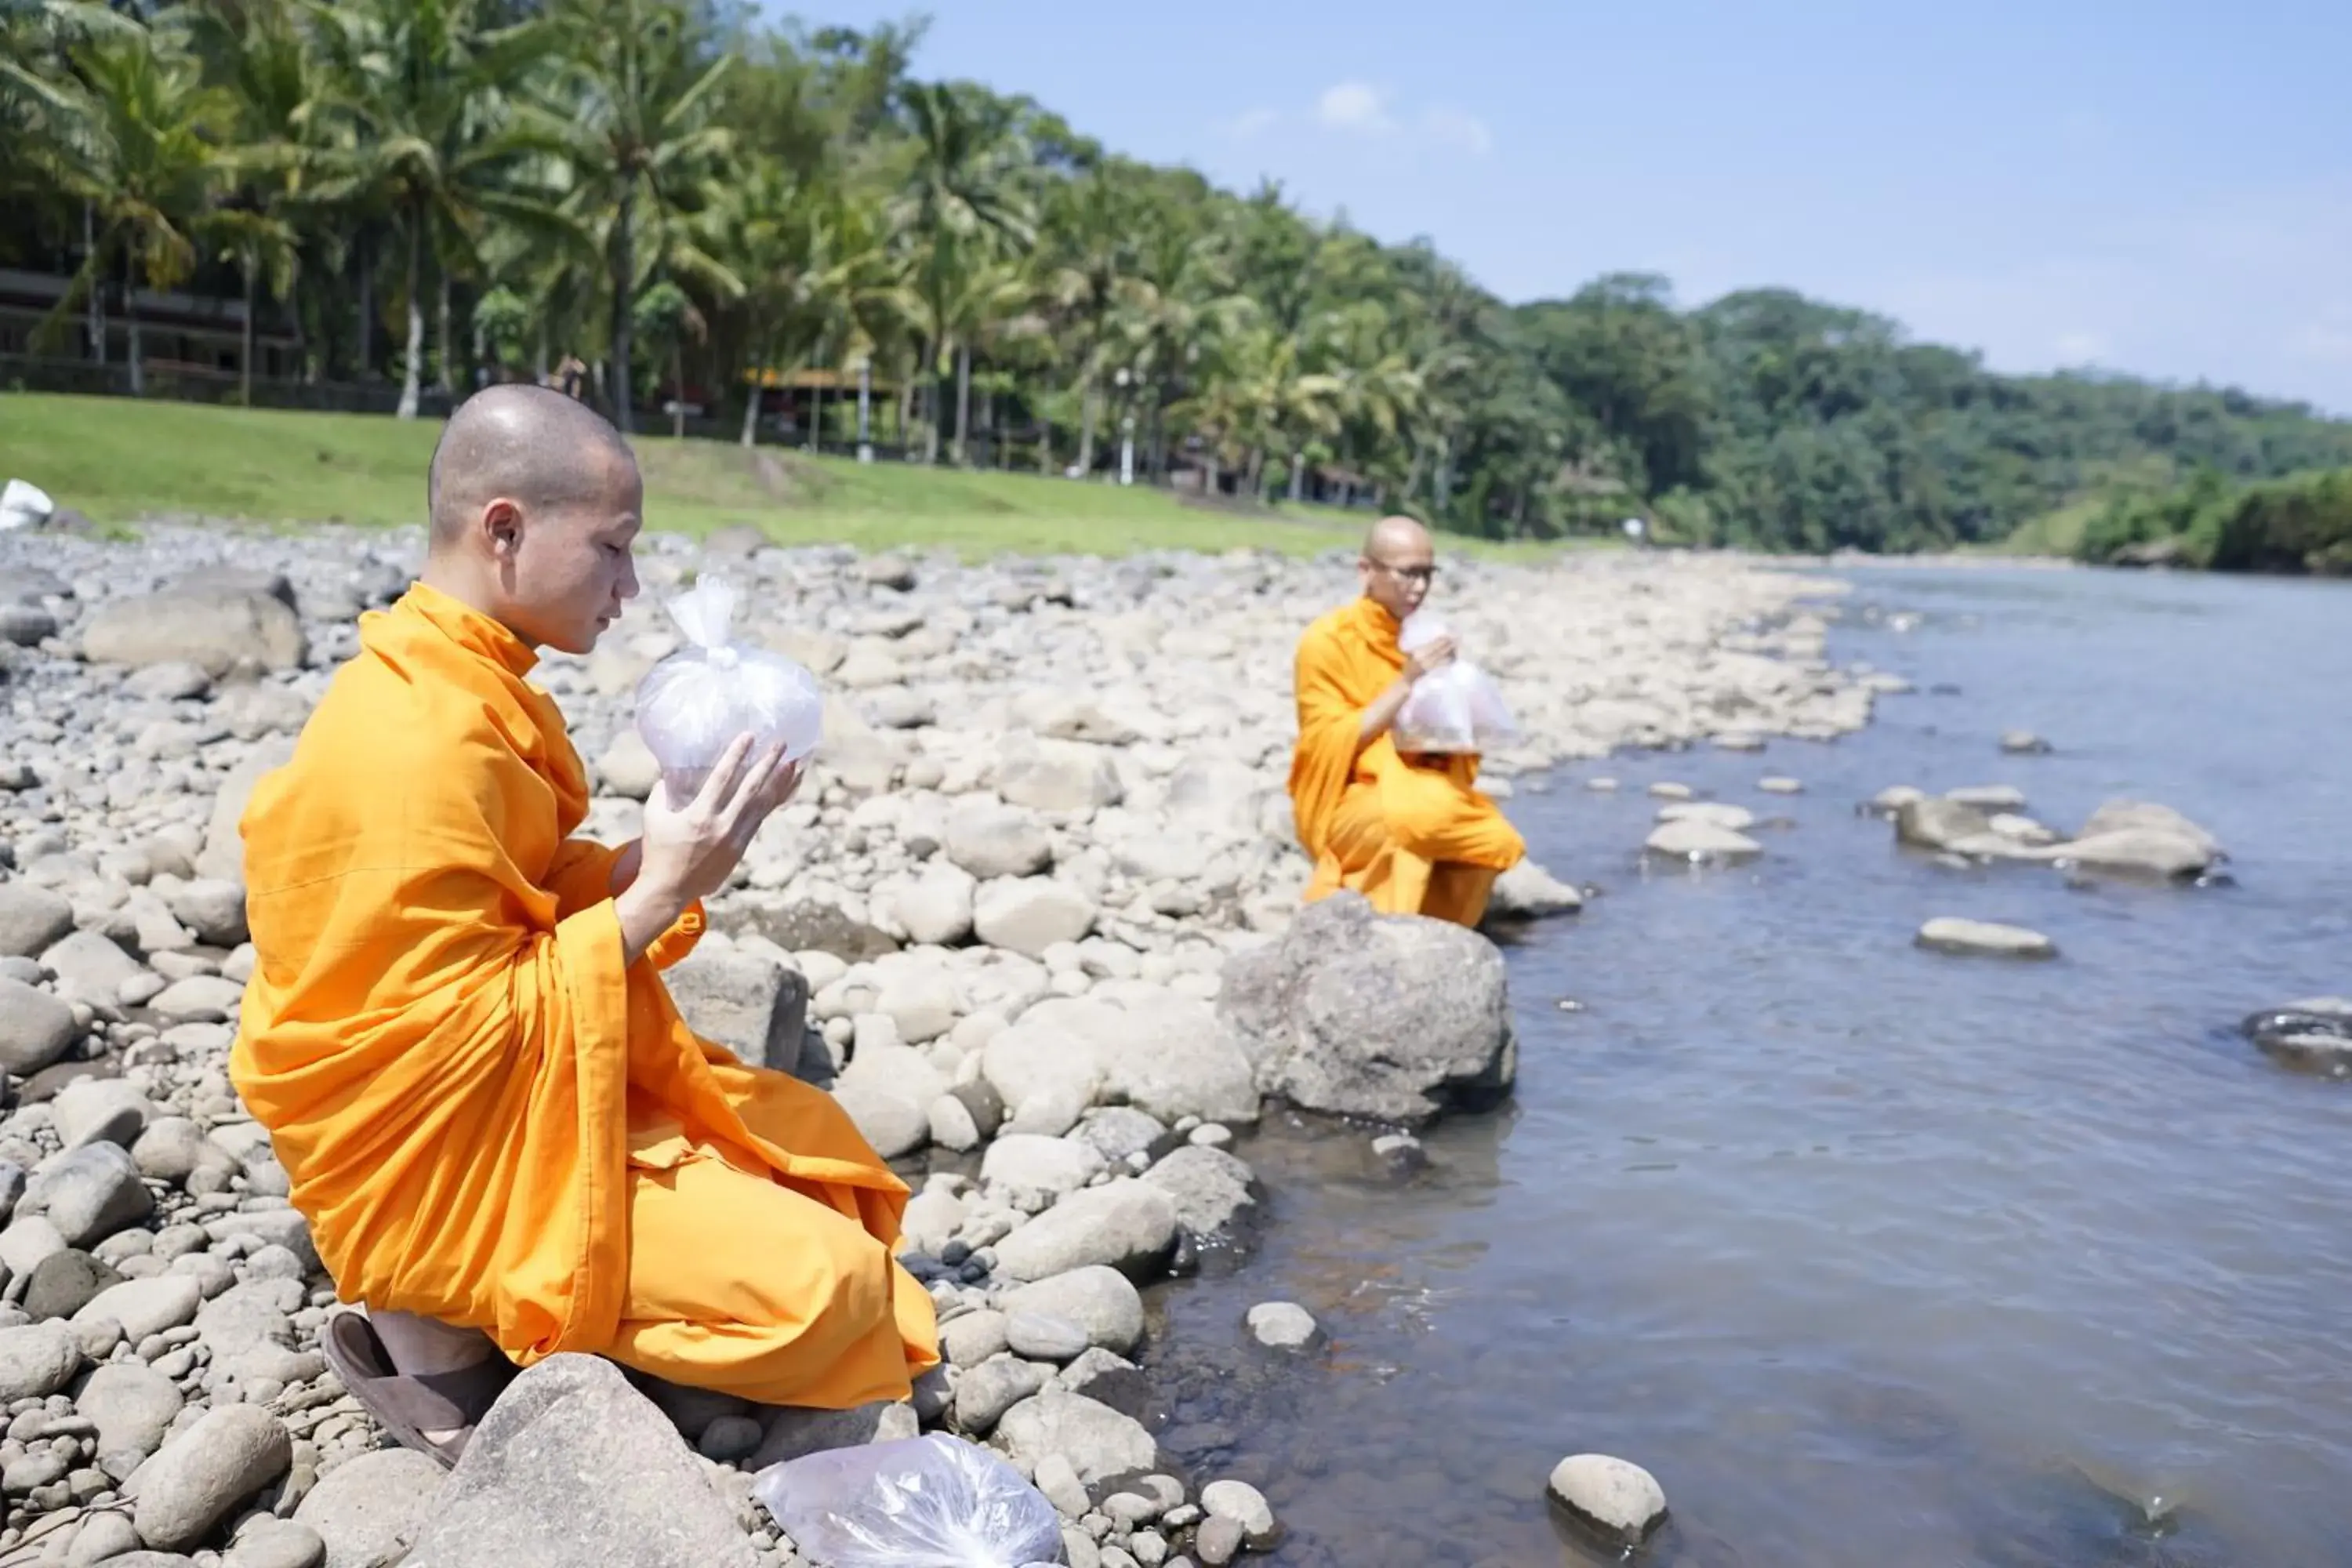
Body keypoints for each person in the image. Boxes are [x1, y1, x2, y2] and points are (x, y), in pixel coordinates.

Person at [228, 385, 938, 1466]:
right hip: (442, 1154)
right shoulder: (417, 738)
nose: (632, 585)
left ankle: (486, 1318)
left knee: (819, 1180)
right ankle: (431, 1326)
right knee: (837, 1294)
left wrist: (688, 852)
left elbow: (533, 903)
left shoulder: (474, 685)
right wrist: (657, 893)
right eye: (613, 548)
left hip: (508, 1106)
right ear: (503, 530)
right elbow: (449, 1043)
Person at [1287, 515, 1526, 927]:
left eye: (1426, 575)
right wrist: (1408, 679)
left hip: (1420, 786)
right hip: (1349, 797)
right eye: (1407, 574)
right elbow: (1329, 741)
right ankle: (1387, 948)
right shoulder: (1328, 640)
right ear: (1367, 571)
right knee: (1400, 824)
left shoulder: (1422, 636)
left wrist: (1450, 690)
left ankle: (1444, 948)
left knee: (1495, 840)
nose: (1419, 588)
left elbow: (1448, 741)